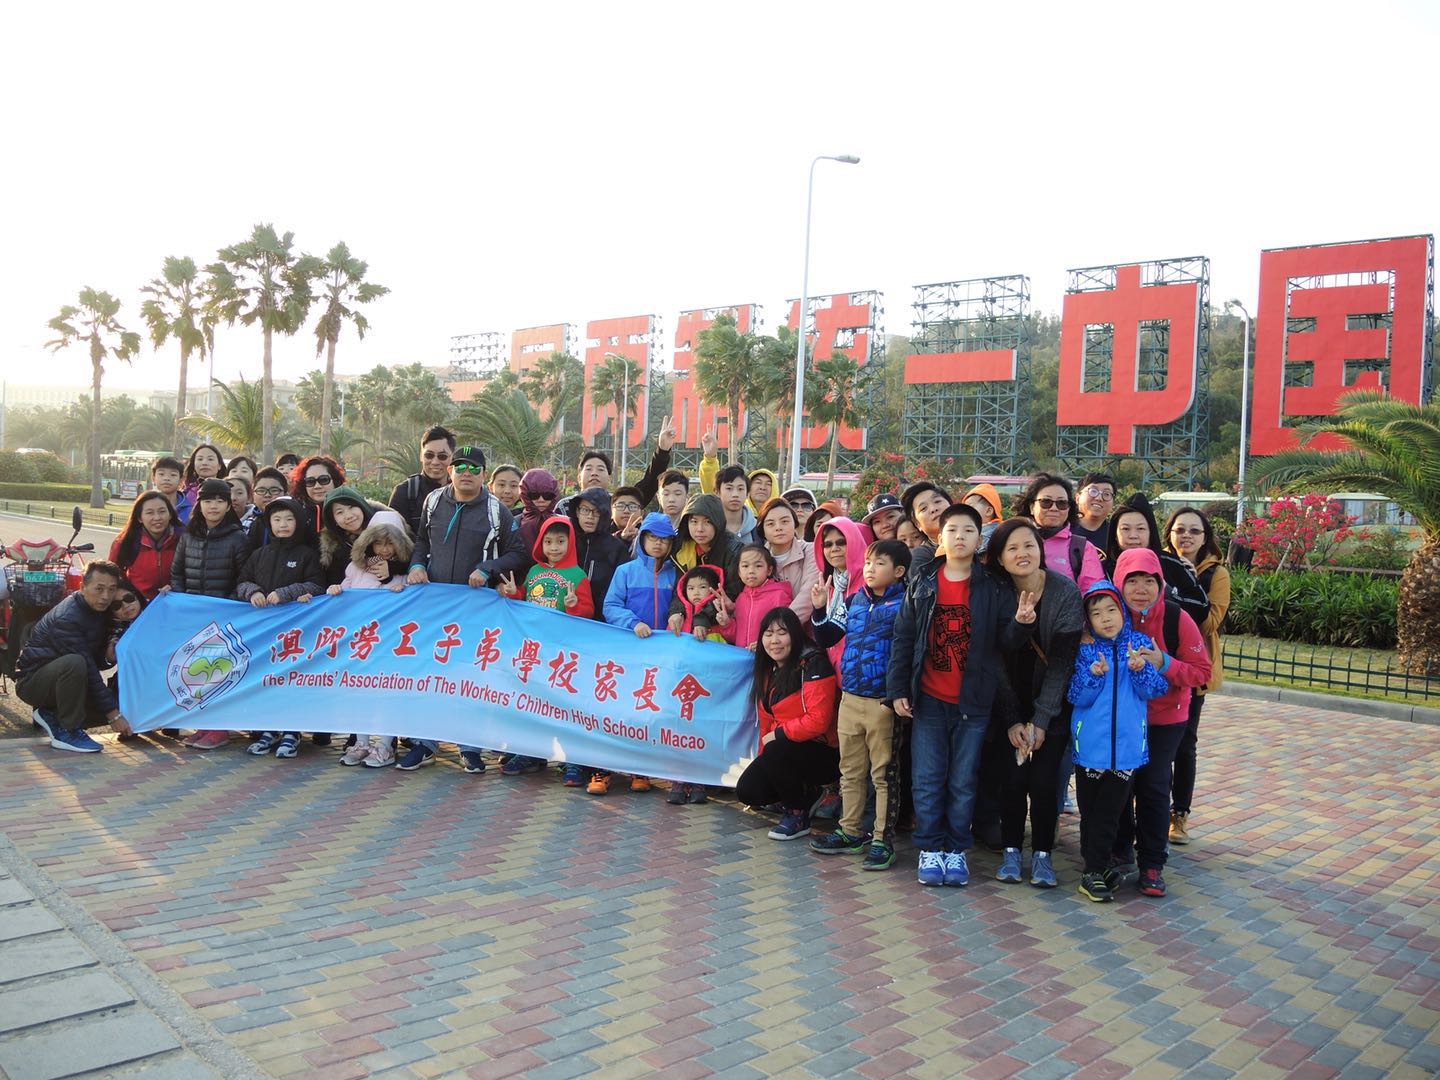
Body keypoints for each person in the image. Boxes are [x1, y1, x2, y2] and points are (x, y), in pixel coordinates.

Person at [887, 503, 1018, 887]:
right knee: (927, 779)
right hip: (928, 699)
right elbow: (904, 637)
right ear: (940, 537)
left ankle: (956, 849)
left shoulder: (992, 585)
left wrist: (1023, 624)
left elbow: (1006, 643)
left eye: (968, 530)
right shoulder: (923, 580)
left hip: (973, 703)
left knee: (962, 781)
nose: (960, 537)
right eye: (953, 530)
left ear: (979, 539)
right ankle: (930, 847)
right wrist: (897, 689)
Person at [402, 445, 526, 773]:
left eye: (473, 468)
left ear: (484, 474)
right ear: (451, 472)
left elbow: (517, 553)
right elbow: (422, 541)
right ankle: (425, 744)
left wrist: (487, 568)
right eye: (460, 467)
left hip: (476, 609)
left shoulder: (497, 511)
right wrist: (417, 564)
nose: (466, 473)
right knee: (432, 676)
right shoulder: (433, 501)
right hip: (435, 607)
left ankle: (469, 747)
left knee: (470, 678)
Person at [986, 518, 1084, 889]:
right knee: (1012, 780)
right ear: (1000, 557)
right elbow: (994, 660)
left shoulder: (1064, 592)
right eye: (1012, 548)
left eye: (1029, 545)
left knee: (1044, 783)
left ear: (1040, 550)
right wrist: (1013, 718)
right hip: (1008, 703)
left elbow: (1062, 663)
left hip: (1051, 707)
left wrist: (1041, 719)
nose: (1022, 553)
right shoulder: (996, 593)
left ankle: (1042, 854)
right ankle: (1011, 851)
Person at [1110, 547, 1212, 898]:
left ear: (1160, 583)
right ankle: (1120, 845)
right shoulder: (1108, 615)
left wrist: (1164, 662)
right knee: (1120, 782)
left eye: (1149, 581)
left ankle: (1152, 861)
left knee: (1153, 785)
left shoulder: (1176, 618)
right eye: (1132, 581)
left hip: (1165, 719)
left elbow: (1202, 672)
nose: (1141, 589)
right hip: (1123, 716)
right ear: (1118, 582)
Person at [808, 538, 911, 868]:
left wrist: (896, 696)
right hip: (850, 697)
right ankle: (850, 831)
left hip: (883, 703)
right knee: (850, 771)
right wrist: (820, 609)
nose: (870, 568)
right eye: (867, 562)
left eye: (879, 563)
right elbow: (828, 636)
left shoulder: (906, 604)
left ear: (899, 571)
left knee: (883, 775)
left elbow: (908, 654)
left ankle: (882, 840)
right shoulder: (854, 600)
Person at [1067, 580, 1169, 902]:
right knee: (1090, 811)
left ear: (1123, 611)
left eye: (1111, 610)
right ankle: (1094, 868)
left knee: (1109, 813)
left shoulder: (1139, 644)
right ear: (1088, 620)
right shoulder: (1085, 649)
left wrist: (1140, 669)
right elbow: (1075, 696)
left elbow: (1156, 689)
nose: (1106, 618)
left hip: (1126, 751)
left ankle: (1094, 870)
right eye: (1096, 613)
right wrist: (1093, 676)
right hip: (1090, 750)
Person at [734, 608, 840, 836]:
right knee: (748, 791)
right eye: (768, 634)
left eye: (782, 633)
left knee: (776, 748)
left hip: (824, 752)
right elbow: (766, 723)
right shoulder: (767, 667)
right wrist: (765, 761)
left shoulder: (814, 664)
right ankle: (810, 796)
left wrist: (778, 736)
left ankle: (797, 814)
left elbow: (819, 720)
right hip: (783, 749)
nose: (774, 641)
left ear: (796, 635)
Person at [237, 497, 326, 760]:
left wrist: (287, 593)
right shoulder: (259, 554)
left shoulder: (307, 555)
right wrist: (252, 592)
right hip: (264, 634)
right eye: (277, 519)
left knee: (292, 681)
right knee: (267, 680)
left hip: (297, 634)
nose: (283, 524)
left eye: (289, 519)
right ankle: (269, 728)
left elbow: (317, 585)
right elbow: (241, 581)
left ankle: (292, 731)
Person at [1163, 507, 1231, 847]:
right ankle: (1150, 806)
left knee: (1184, 744)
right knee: (1153, 741)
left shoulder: (1216, 573)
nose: (1186, 536)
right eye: (1180, 530)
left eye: (1194, 531)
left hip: (1192, 670)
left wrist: (1190, 586)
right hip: (1156, 663)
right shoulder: (1158, 563)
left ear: (1205, 538)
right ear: (1169, 534)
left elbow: (1210, 622)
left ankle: (1180, 813)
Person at [168, 478, 250, 750]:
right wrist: (184, 602)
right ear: (199, 504)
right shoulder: (189, 535)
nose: (213, 506)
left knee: (220, 673)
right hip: (193, 618)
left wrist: (226, 607)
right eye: (208, 500)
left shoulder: (238, 538)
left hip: (224, 620)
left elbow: (244, 578)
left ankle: (219, 729)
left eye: (220, 501)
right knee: (197, 673)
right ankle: (202, 726)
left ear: (228, 505)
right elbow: (176, 572)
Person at [16, 560, 130, 753]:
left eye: (111, 589)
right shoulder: (67, 618)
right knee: (75, 663)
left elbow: (94, 661)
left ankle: (51, 714)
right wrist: (113, 715)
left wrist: (107, 658)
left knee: (118, 706)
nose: (106, 596)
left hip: (65, 680)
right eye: (99, 589)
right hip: (32, 682)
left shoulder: (99, 610)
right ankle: (67, 730)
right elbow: (87, 667)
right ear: (82, 587)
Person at [1104, 496, 1211, 631]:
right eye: (1125, 529)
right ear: (1115, 533)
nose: (1133, 535)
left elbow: (1201, 607)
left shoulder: (1171, 564)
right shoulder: (1103, 569)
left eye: (1140, 529)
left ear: (1151, 532)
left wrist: (1168, 593)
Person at [1015, 473, 1104, 592]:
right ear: (1032, 507)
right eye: (1046, 502)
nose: (1054, 508)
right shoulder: (1013, 541)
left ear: (1069, 508)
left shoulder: (1082, 548)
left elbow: (1093, 594)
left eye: (1061, 503)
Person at [665, 492, 743, 627]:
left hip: (723, 624)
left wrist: (701, 618)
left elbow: (731, 592)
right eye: (694, 522)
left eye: (707, 522)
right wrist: (677, 611)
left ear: (718, 522)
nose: (699, 529)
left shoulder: (734, 550)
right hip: (690, 623)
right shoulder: (682, 549)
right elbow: (680, 587)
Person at [603, 513, 678, 640]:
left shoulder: (675, 573)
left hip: (667, 642)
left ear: (671, 542)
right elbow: (611, 606)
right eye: (652, 536)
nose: (658, 542)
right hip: (632, 640)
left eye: (664, 538)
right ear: (642, 538)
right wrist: (633, 623)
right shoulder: (625, 571)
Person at [574, 413, 676, 505]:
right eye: (589, 469)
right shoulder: (567, 507)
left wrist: (662, 451)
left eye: (600, 469)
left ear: (609, 478)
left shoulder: (619, 505)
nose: (594, 473)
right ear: (579, 477)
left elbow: (649, 483)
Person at [568, 487, 630, 617]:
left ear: (605, 515)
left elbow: (621, 592)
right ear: (577, 512)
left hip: (602, 620)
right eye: (585, 510)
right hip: (567, 614)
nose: (590, 517)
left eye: (597, 512)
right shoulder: (566, 541)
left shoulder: (617, 548)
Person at [110, 491, 182, 601]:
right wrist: (131, 596)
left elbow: (192, 574)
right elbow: (113, 576)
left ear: (170, 514)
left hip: (175, 602)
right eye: (149, 513)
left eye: (162, 511)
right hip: (138, 605)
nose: (157, 517)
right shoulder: (126, 542)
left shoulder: (183, 539)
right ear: (139, 518)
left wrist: (176, 588)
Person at [756, 497, 819, 623]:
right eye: (770, 524)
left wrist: (780, 627)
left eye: (784, 521)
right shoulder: (757, 559)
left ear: (794, 524)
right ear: (763, 530)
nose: (778, 528)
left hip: (802, 631)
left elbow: (807, 596)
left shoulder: (811, 551)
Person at [389, 425, 456, 540]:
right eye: (429, 455)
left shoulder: (460, 493)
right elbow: (390, 538)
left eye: (442, 456)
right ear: (421, 456)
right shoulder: (405, 492)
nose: (435, 462)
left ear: (452, 458)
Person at [728, 544, 793, 650]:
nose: (751, 571)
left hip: (769, 656)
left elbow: (788, 631)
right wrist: (726, 624)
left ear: (769, 570)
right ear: (739, 571)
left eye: (758, 566)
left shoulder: (779, 596)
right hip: (743, 657)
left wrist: (765, 645)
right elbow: (736, 636)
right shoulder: (740, 598)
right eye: (745, 566)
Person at [319, 486, 381, 587]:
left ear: (362, 506)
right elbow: (335, 582)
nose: (348, 516)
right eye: (340, 512)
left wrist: (391, 568)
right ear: (334, 520)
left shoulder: (385, 530)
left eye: (351, 507)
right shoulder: (336, 550)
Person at [669, 565, 730, 644]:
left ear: (715, 588)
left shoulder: (720, 611)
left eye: (702, 587)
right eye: (691, 588)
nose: (696, 592)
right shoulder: (678, 616)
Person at [899, 481, 951, 570]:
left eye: (937, 501)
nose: (933, 509)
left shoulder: (975, 533)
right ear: (917, 524)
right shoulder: (920, 556)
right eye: (923, 508)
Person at [290, 455, 346, 534]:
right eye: (310, 481)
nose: (317, 486)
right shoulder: (294, 511)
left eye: (324, 479)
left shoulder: (348, 508)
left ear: (335, 481)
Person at [516, 468, 560, 561]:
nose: (541, 500)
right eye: (534, 495)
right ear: (525, 494)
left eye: (548, 495)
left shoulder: (563, 523)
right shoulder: (514, 523)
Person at [176, 444, 226, 524]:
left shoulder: (229, 491)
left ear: (219, 465)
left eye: (210, 459)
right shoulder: (184, 496)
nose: (204, 463)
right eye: (200, 459)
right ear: (194, 464)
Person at [1071, 473, 1116, 551]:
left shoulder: (1116, 535)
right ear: (1077, 498)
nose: (1099, 498)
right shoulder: (1062, 529)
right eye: (1093, 491)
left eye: (1106, 494)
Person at [246, 468, 291, 546]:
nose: (267, 495)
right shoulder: (249, 524)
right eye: (261, 490)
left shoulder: (294, 522)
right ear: (253, 495)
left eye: (274, 490)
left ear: (286, 494)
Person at [962, 483, 1004, 554]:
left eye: (970, 507)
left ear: (988, 511)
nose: (965, 512)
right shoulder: (1002, 528)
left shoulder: (986, 536)